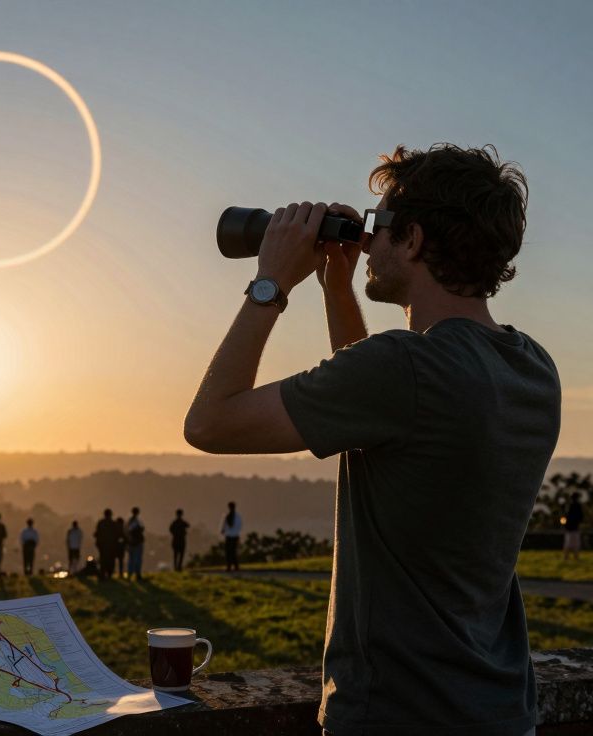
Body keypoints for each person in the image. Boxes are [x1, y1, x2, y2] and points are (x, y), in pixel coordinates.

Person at [184, 145, 556, 735]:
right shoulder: (531, 366)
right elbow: (374, 417)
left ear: (412, 239)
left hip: (398, 712)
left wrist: (270, 282)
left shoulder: (405, 367)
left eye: (378, 223)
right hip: (499, 709)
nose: (367, 237)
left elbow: (209, 422)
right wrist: (336, 284)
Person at [94, 509, 117, 579]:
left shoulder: (101, 523)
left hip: (102, 545)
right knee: (110, 560)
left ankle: (102, 573)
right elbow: (116, 535)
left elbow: (97, 533)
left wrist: (98, 543)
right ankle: (109, 573)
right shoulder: (113, 523)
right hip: (111, 545)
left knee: (103, 559)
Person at [561, 492, 584, 562]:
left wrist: (564, 525)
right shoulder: (578, 506)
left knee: (567, 543)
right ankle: (576, 557)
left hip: (568, 528)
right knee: (576, 544)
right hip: (575, 528)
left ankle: (566, 557)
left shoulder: (568, 505)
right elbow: (581, 517)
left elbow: (564, 516)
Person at [219, 502, 242, 572]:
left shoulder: (232, 516)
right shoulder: (235, 516)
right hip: (232, 535)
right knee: (231, 552)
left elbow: (226, 526)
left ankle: (232, 566)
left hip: (231, 536)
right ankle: (233, 566)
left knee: (231, 552)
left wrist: (224, 530)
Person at [126, 507, 145, 580]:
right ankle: (137, 574)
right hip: (136, 543)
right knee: (137, 559)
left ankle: (130, 574)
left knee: (131, 559)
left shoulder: (130, 521)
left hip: (131, 543)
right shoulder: (136, 521)